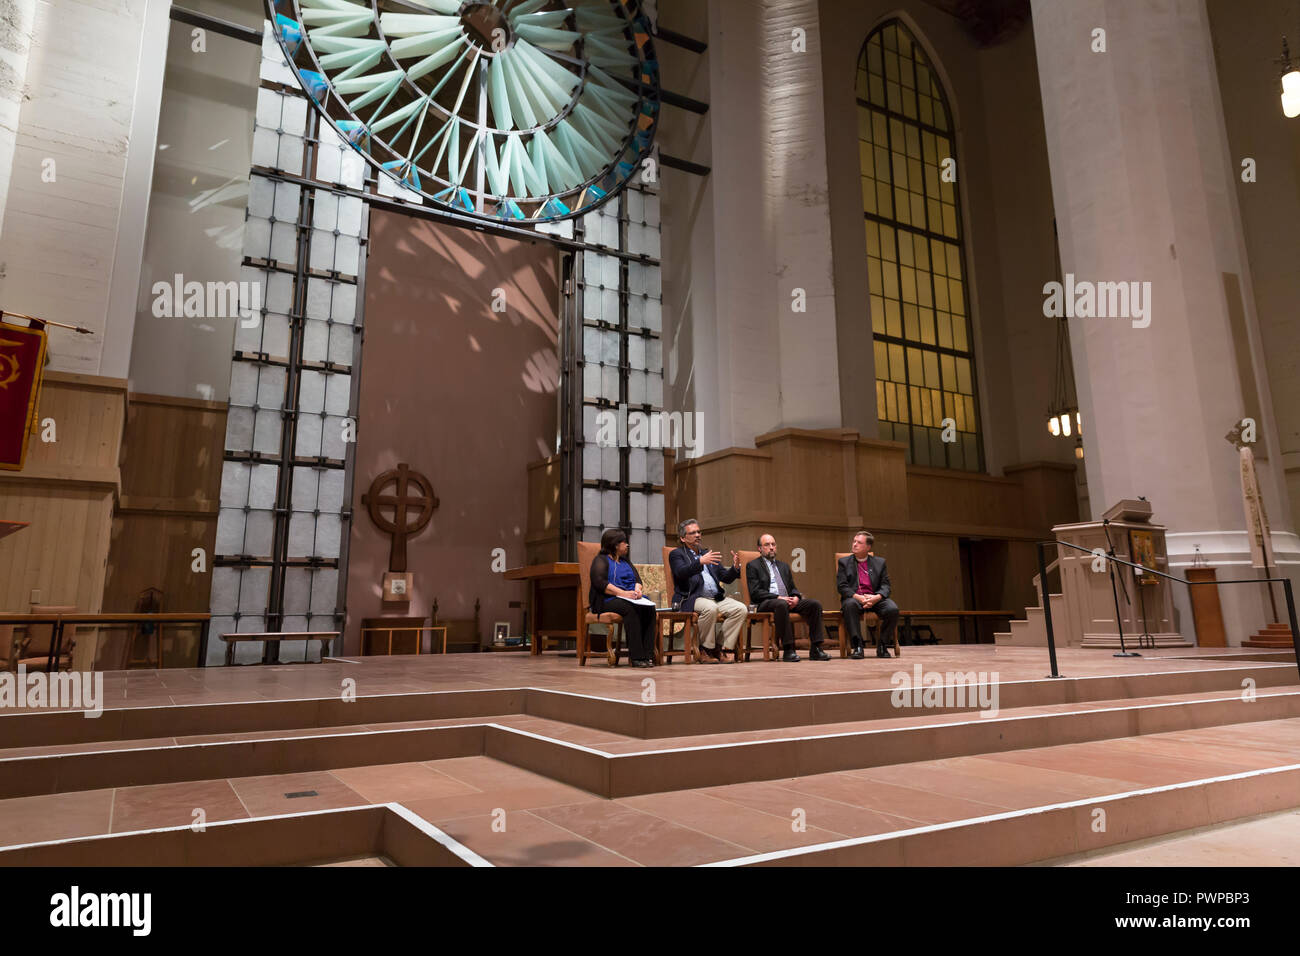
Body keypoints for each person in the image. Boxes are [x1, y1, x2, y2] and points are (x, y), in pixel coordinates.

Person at [669, 518, 746, 663]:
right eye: (692, 533)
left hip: (715, 597)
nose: (697, 535)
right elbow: (680, 572)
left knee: (740, 609)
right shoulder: (677, 554)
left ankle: (719, 646)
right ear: (682, 538)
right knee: (710, 608)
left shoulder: (707, 553)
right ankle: (705, 649)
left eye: (699, 532)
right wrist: (699, 562)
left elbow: (725, 577)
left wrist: (735, 568)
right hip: (691, 598)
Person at [745, 534, 829, 662]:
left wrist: (795, 597)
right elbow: (756, 592)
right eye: (767, 545)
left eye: (773, 544)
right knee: (781, 604)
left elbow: (793, 588)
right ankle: (789, 649)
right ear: (759, 549)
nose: (771, 547)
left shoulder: (783, 566)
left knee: (814, 604)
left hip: (786, 600)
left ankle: (816, 648)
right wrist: (778, 597)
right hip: (765, 603)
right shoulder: (753, 566)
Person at [589, 528, 658, 667]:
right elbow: (600, 582)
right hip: (606, 600)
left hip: (628, 597)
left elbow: (638, 580)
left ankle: (648, 655)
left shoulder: (625, 561)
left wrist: (637, 591)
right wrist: (623, 593)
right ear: (615, 544)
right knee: (630, 609)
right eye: (624, 542)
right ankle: (637, 656)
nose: (627, 545)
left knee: (650, 608)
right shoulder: (601, 560)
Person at [836, 531, 900, 659]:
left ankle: (882, 645)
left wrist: (877, 597)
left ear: (868, 547)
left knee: (893, 609)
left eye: (859, 542)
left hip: (875, 598)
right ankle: (858, 646)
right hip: (855, 598)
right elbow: (842, 586)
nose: (854, 544)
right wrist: (858, 597)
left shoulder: (879, 562)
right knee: (849, 606)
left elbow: (886, 585)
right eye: (854, 541)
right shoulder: (844, 562)